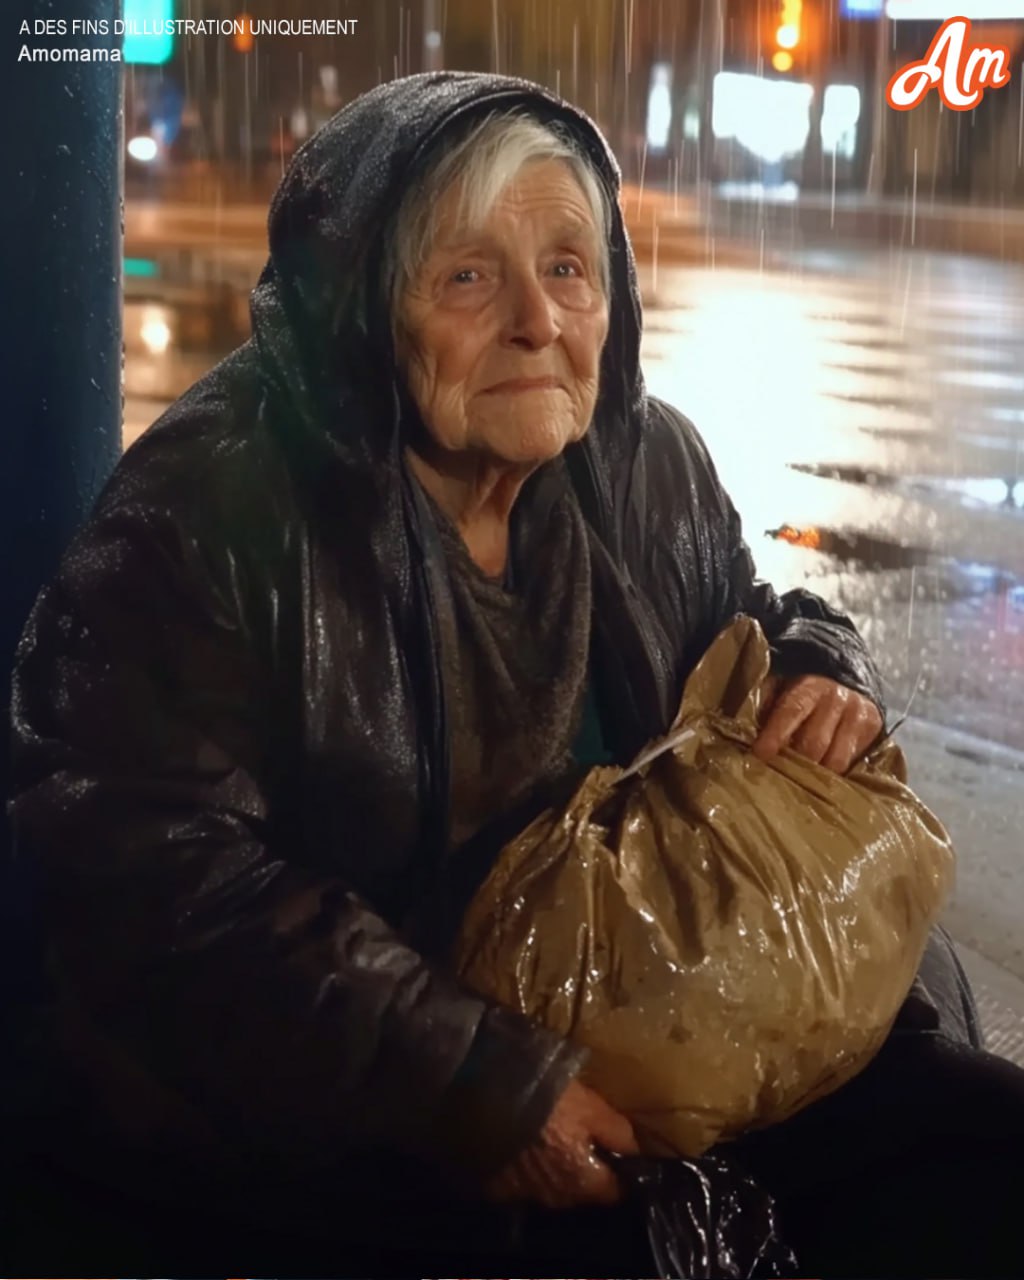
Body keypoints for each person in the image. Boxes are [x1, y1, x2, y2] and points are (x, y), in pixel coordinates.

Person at [7, 70, 1023, 1276]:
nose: (539, 322)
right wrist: (475, 1083)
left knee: (974, 1142)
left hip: (651, 1018)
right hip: (355, 1115)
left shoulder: (642, 461)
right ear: (363, 311)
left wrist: (821, 660)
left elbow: (753, 615)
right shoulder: (210, 513)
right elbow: (142, 867)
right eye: (469, 276)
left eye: (569, 268)